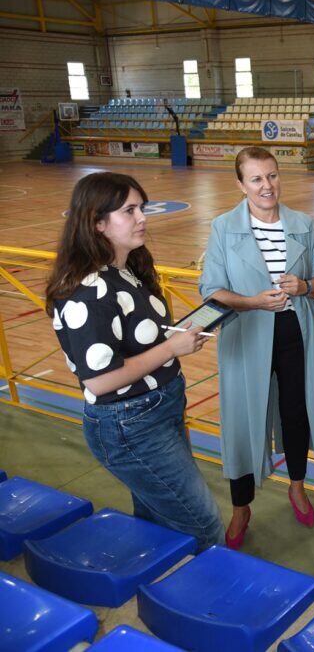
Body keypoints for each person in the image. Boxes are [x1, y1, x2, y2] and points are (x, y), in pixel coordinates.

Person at [46, 171, 223, 551]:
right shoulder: (88, 291)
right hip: (130, 424)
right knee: (203, 525)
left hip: (158, 410)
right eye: (129, 210)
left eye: (141, 207)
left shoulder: (126, 269)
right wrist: (171, 349)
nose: (143, 217)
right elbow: (99, 381)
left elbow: (134, 337)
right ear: (97, 223)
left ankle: (164, 589)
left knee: (160, 518)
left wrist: (176, 333)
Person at [199, 146, 314, 549]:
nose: (267, 186)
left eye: (273, 175)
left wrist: (305, 287)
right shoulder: (223, 227)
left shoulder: (301, 223)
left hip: (297, 332)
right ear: (241, 184)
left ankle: (297, 485)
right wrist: (252, 302)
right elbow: (210, 288)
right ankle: (241, 506)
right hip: (247, 335)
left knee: (295, 413)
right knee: (243, 421)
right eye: (256, 179)